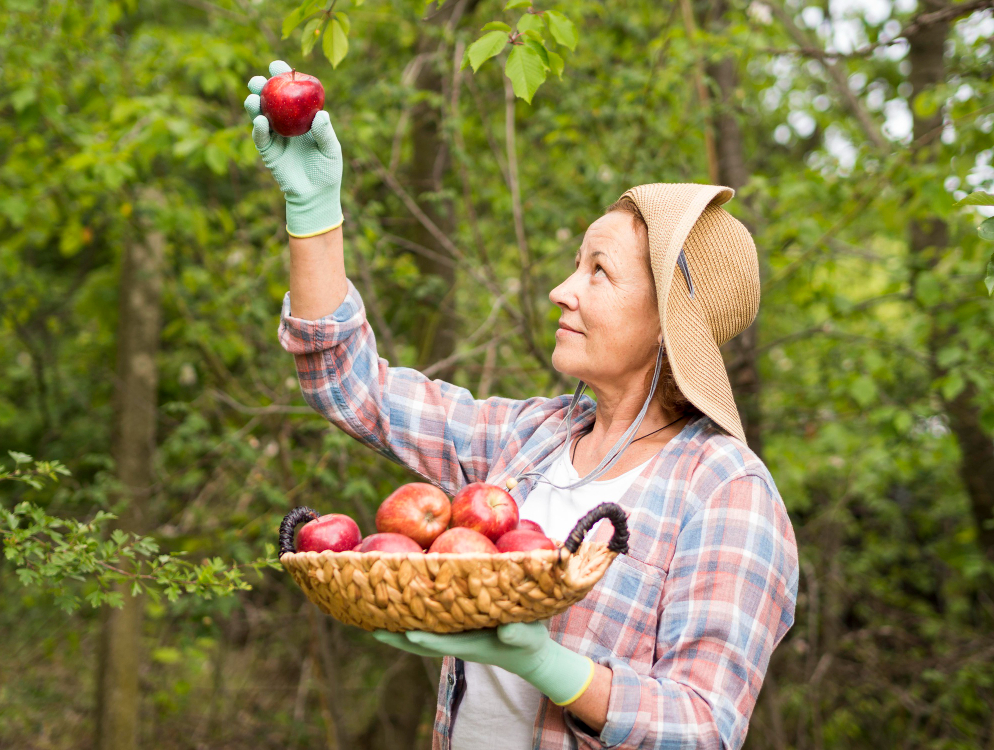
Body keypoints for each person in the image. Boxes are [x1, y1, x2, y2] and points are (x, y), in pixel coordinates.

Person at [245, 60, 799, 750]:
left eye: (599, 271)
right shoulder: (530, 439)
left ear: (668, 323)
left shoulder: (727, 494)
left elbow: (703, 726)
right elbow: (348, 384)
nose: (562, 290)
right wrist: (315, 213)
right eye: (575, 264)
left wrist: (549, 666)